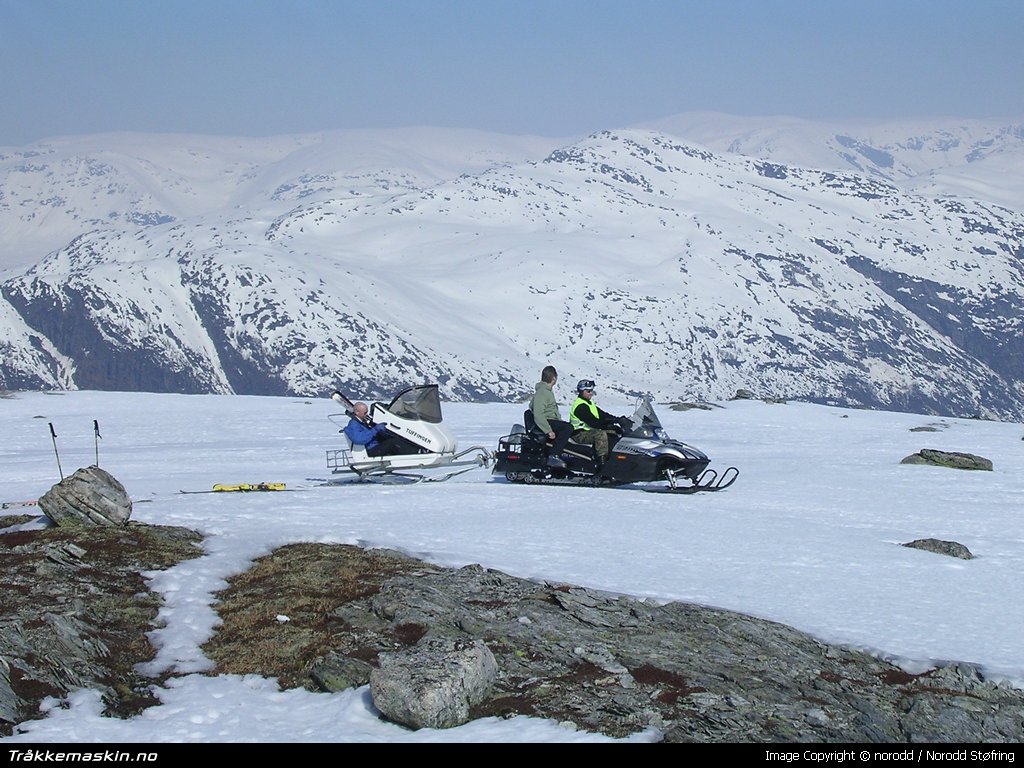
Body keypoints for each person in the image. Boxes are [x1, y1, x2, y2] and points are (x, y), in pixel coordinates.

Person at [568, 379, 627, 466]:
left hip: (587, 431)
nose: (591, 393)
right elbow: (594, 422)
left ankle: (614, 459)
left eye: (592, 390)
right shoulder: (580, 406)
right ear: (582, 391)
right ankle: (601, 463)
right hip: (579, 434)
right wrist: (609, 424)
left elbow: (603, 414)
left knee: (614, 433)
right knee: (601, 434)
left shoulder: (589, 403)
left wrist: (617, 419)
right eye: (588, 391)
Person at [530, 365, 573, 468]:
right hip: (547, 422)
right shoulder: (543, 393)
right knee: (567, 428)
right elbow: (538, 414)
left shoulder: (547, 391)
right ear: (554, 378)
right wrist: (548, 430)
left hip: (551, 421)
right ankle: (554, 455)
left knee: (568, 428)